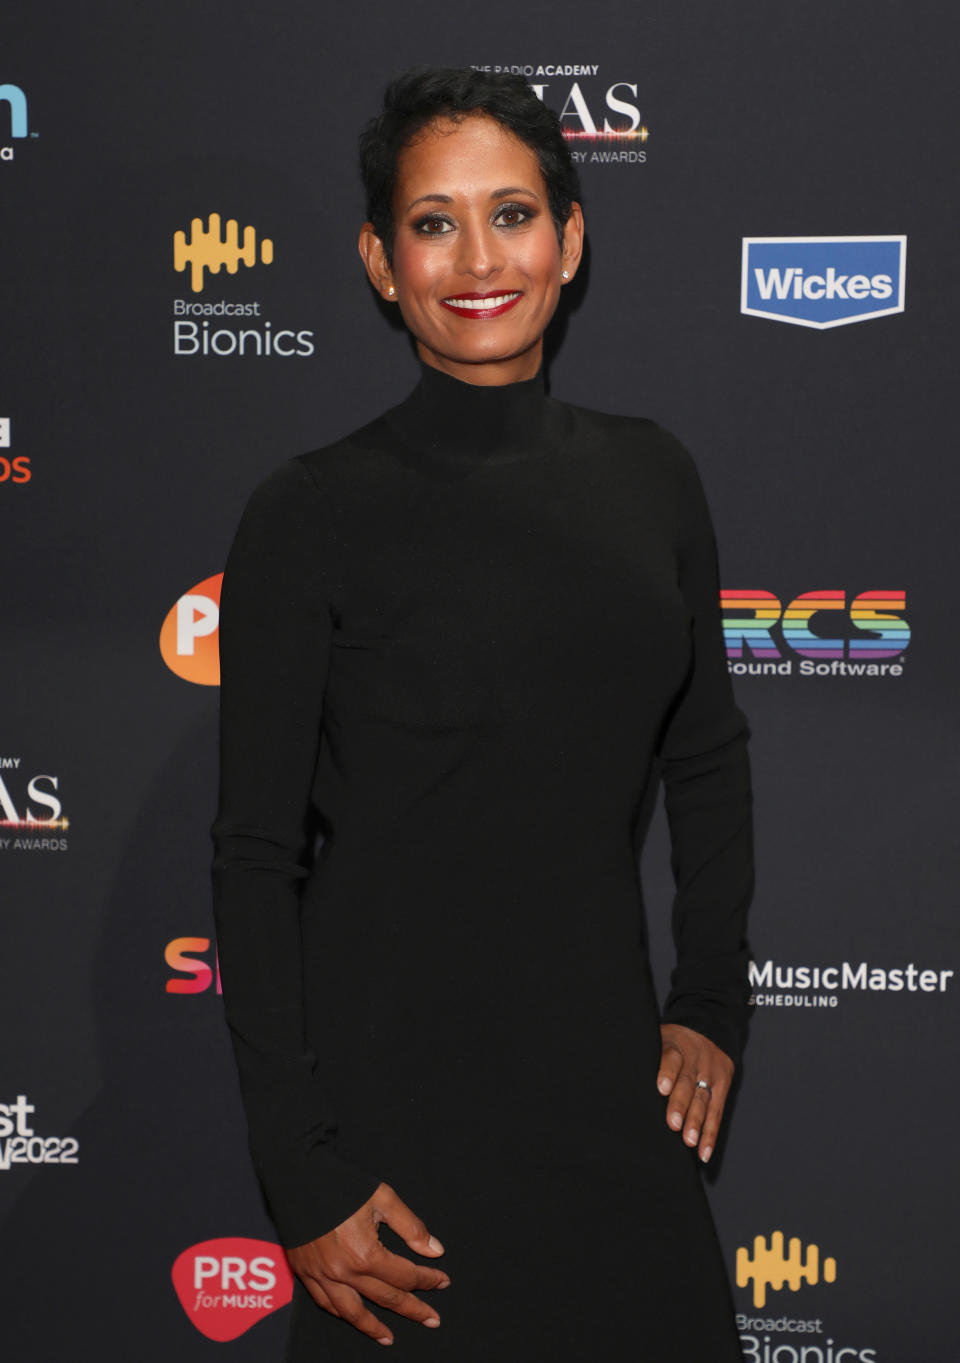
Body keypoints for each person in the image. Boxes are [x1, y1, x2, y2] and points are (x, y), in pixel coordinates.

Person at [211, 65, 755, 1361]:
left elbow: (709, 752)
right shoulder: (310, 512)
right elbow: (254, 858)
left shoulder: (651, 476)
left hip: (607, 1100)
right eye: (433, 221)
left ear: (569, 240)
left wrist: (711, 999)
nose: (476, 257)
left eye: (511, 213)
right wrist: (303, 1174)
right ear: (379, 261)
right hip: (396, 1138)